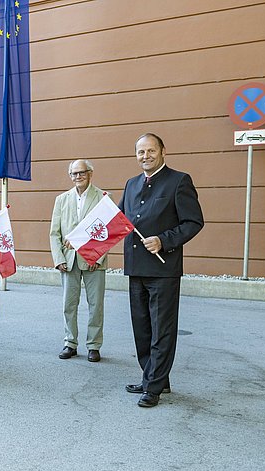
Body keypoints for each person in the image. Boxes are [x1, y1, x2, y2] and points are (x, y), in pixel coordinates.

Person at [119, 133, 204, 407]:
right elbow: (117, 220)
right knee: (142, 328)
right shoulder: (131, 184)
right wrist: (84, 238)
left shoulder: (179, 181)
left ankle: (153, 386)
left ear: (163, 151)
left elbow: (193, 222)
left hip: (163, 269)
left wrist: (164, 240)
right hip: (136, 268)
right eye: (141, 152)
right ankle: (153, 377)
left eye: (151, 150)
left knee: (162, 329)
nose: (145, 156)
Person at [50, 159, 107, 363]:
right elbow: (54, 233)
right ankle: (70, 342)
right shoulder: (62, 199)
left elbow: (107, 232)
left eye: (81, 172)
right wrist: (58, 258)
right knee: (69, 304)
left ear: (90, 173)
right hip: (68, 260)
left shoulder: (102, 197)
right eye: (74, 174)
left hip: (94, 261)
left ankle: (93, 345)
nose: (78, 177)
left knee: (96, 305)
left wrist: (97, 257)